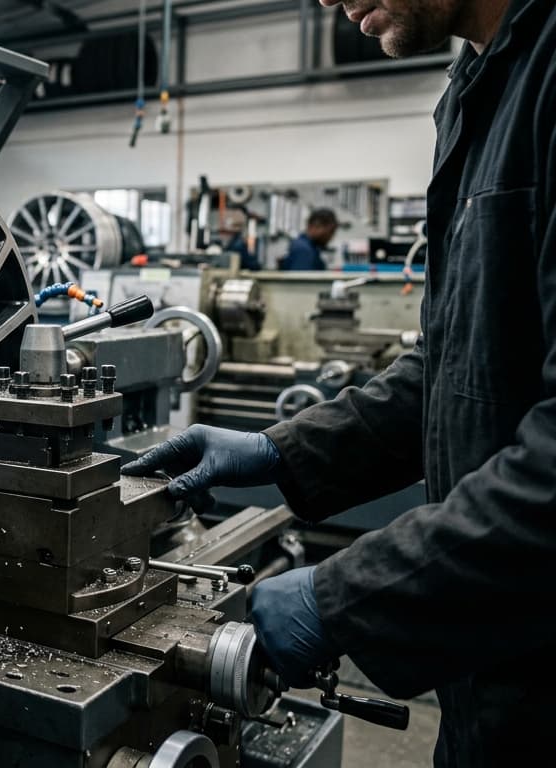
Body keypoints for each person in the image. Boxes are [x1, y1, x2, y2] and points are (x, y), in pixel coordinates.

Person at [123, 0, 556, 763]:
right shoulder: (478, 88)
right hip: (496, 679)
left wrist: (348, 598)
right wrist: (282, 451)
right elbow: (454, 366)